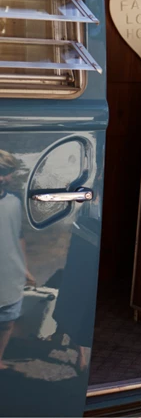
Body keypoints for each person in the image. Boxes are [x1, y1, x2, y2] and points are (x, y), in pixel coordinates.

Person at [0, 149, 32, 370]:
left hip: (10, 273)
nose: (4, 178)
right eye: (1, 171)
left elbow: (19, 235)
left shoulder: (14, 201)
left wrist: (25, 269)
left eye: (7, 172)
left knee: (7, 321)